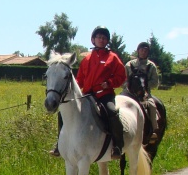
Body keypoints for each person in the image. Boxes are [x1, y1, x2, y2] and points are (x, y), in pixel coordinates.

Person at [50, 26, 126, 159]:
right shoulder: (87, 59)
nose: (101, 40)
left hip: (104, 95)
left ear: (107, 41)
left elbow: (121, 76)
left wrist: (109, 83)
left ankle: (117, 146)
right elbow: (79, 79)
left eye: (104, 38)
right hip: (87, 95)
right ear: (93, 40)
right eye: (99, 37)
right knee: (64, 112)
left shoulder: (113, 58)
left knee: (112, 112)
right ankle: (59, 144)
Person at [124, 41, 161, 143]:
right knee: (117, 102)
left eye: (145, 50)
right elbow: (124, 79)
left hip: (144, 93)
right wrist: (128, 85)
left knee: (152, 106)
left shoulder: (151, 66)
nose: (143, 52)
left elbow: (155, 82)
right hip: (129, 92)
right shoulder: (129, 64)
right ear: (138, 51)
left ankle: (153, 130)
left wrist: (144, 85)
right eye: (141, 50)